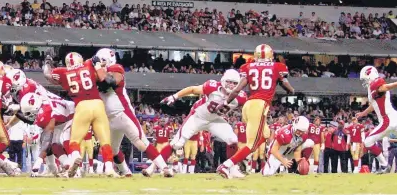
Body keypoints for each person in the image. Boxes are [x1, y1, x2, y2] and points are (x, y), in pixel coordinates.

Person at [218, 44, 295, 178]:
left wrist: (225, 102)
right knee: (252, 145)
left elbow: (236, 90)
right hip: (259, 106)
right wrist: (292, 91)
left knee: (265, 134)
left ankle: (237, 162)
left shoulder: (248, 67)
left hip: (248, 105)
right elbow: (286, 86)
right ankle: (227, 165)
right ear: (271, 55)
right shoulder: (277, 66)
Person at [95, 48, 171, 177]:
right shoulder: (95, 73)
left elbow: (110, 82)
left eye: (101, 60)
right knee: (112, 150)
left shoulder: (116, 68)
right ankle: (126, 172)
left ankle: (165, 168)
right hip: (108, 118)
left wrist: (97, 72)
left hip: (123, 114)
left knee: (141, 143)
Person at [159, 69, 247, 178]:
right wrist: (174, 96)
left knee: (233, 140)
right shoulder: (212, 86)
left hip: (215, 121)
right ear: (223, 80)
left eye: (234, 83)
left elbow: (247, 108)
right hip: (198, 117)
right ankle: (156, 166)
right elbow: (192, 89)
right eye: (229, 81)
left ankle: (233, 169)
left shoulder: (241, 97)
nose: (231, 85)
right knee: (177, 143)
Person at [45, 52, 116, 177]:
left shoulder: (62, 72)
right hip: (98, 104)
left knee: (74, 140)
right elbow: (103, 74)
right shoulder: (88, 63)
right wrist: (99, 63)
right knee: (105, 140)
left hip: (82, 106)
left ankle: (76, 157)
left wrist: (47, 63)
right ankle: (109, 168)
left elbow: (47, 74)